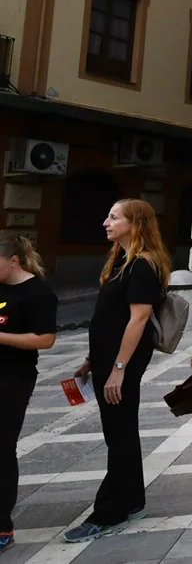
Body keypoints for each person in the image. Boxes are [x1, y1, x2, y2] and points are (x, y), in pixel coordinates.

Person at [65, 200, 169, 543]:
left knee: (119, 436)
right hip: (108, 359)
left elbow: (138, 319)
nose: (106, 222)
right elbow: (110, 318)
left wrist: (118, 369)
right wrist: (93, 359)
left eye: (114, 217)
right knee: (121, 432)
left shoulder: (142, 265)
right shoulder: (121, 261)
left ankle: (108, 513)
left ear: (134, 223)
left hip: (122, 363)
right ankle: (133, 499)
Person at [0, 234, 57, 553]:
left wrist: (2, 337)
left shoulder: (38, 293)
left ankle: (2, 526)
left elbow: (45, 339)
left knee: (2, 448)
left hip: (12, 379)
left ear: (14, 261)